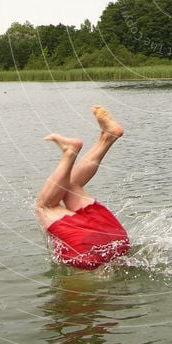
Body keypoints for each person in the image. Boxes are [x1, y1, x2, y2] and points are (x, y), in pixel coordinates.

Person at [35, 105, 130, 270]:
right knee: (61, 193)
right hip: (97, 247)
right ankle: (107, 137)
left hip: (115, 240)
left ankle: (74, 150)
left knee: (47, 205)